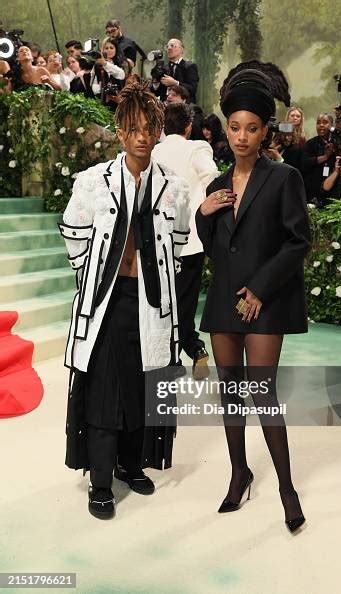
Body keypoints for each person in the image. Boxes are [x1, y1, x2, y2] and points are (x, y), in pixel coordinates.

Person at [58, 81, 190, 519]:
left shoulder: (173, 187)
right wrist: (94, 278)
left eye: (149, 127)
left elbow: (180, 237)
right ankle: (100, 481)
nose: (141, 136)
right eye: (132, 127)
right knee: (104, 389)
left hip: (151, 303)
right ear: (119, 131)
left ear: (158, 131)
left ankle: (131, 465)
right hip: (108, 301)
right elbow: (73, 232)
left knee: (142, 384)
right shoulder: (95, 181)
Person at [195, 61, 310, 533]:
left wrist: (261, 289)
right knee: (232, 394)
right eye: (235, 128)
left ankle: (286, 486)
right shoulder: (216, 186)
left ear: (265, 132)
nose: (242, 137)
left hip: (264, 301)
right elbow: (212, 245)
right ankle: (239, 472)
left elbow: (298, 240)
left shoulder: (284, 179)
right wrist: (203, 214)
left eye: (253, 129)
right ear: (227, 128)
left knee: (262, 394)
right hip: (224, 301)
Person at [153, 103, 218, 379]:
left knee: (161, 300)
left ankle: (179, 352)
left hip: (156, 237)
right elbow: (212, 175)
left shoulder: (152, 150)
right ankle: (190, 349)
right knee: (185, 299)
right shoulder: (197, 148)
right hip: (190, 239)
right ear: (188, 126)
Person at [301, 113, 339, 204]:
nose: (321, 125)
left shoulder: (338, 142)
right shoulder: (310, 143)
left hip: (333, 191)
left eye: (325, 122)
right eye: (318, 123)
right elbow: (304, 163)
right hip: (312, 189)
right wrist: (325, 157)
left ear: (331, 126)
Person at [153, 38, 199, 104]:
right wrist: (156, 81)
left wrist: (175, 83)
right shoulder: (163, 69)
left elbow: (192, 89)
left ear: (181, 49)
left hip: (185, 108)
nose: (169, 48)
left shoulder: (190, 66)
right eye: (167, 46)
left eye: (172, 46)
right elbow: (156, 93)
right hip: (165, 108)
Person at [92, 37, 126, 109]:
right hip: (103, 103)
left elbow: (121, 75)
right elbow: (93, 82)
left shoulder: (122, 63)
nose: (109, 50)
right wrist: (99, 89)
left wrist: (105, 64)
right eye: (106, 48)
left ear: (116, 49)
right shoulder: (97, 65)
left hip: (119, 103)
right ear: (102, 50)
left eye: (111, 48)